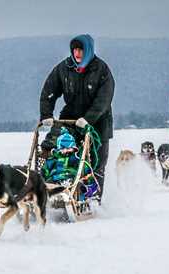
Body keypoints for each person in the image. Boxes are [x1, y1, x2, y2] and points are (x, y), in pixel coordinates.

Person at [39, 34, 115, 199]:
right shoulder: (64, 68)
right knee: (55, 149)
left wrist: (88, 119)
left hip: (98, 122)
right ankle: (51, 187)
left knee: (97, 162)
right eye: (74, 50)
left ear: (88, 50)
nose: (77, 53)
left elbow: (104, 100)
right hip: (70, 117)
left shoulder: (101, 70)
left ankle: (93, 197)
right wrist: (46, 114)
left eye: (81, 49)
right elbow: (49, 92)